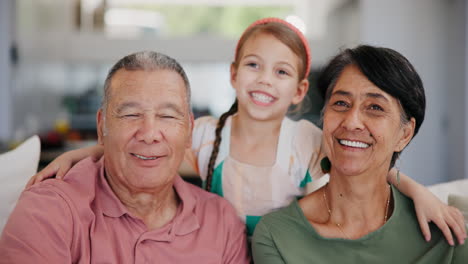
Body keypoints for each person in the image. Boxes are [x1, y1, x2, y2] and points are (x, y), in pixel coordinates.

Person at [27, 18, 465, 242]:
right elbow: (143, 150)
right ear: (234, 74)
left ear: (298, 90)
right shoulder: (205, 136)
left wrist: (420, 192)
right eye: (253, 66)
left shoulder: (306, 141)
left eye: (280, 72)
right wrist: (74, 155)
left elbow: (366, 167)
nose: (263, 80)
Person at [0, 51, 250, 263]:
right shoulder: (50, 210)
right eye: (130, 115)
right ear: (101, 127)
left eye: (167, 116)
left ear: (189, 132)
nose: (150, 134)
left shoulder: (222, 224)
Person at [252, 45, 468, 263]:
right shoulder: (278, 237)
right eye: (341, 103)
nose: (352, 122)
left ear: (405, 134)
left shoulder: (448, 234)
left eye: (375, 107)